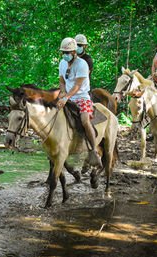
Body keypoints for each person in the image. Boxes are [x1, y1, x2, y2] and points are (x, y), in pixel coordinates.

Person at [56, 37, 102, 167]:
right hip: (69, 96)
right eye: (63, 53)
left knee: (85, 120)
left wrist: (65, 98)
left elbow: (77, 85)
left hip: (82, 97)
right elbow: (62, 81)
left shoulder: (82, 64)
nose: (65, 55)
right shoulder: (62, 63)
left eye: (67, 53)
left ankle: (93, 150)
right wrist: (63, 93)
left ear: (74, 52)